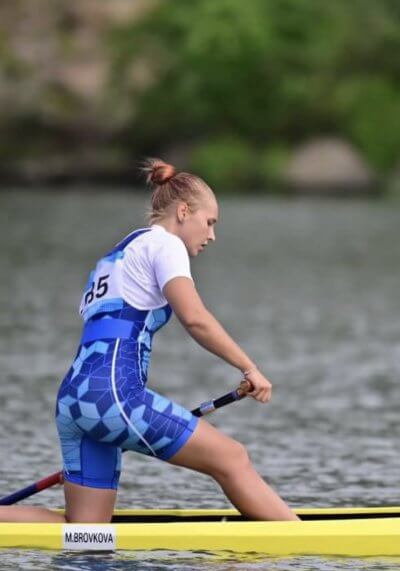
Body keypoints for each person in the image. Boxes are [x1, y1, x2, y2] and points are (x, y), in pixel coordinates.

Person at [0, 159, 298, 524]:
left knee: (84, 532)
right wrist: (249, 368)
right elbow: (196, 319)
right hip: (113, 397)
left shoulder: (116, 256)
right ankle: (303, 546)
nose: (212, 235)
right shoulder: (165, 245)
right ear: (184, 211)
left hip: (76, 400)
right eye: (210, 222)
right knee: (231, 458)